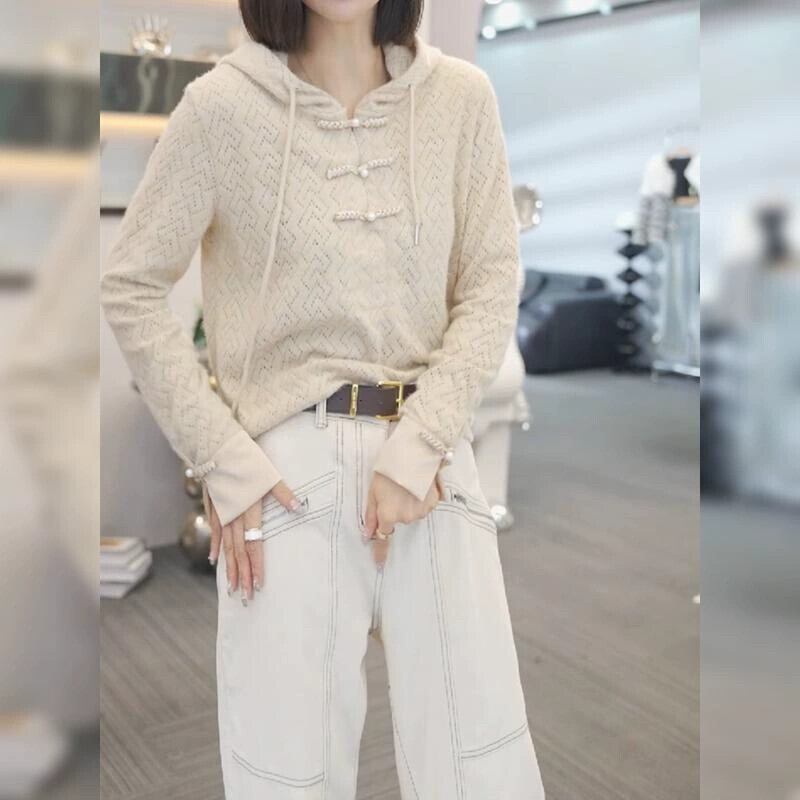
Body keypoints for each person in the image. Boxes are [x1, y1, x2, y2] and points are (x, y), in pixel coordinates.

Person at [100, 0, 546, 796]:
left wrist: (422, 441)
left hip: (431, 464)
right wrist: (224, 460)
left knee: (477, 762)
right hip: (286, 480)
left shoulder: (461, 99)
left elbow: (489, 285)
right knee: (287, 770)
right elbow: (131, 286)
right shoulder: (220, 107)